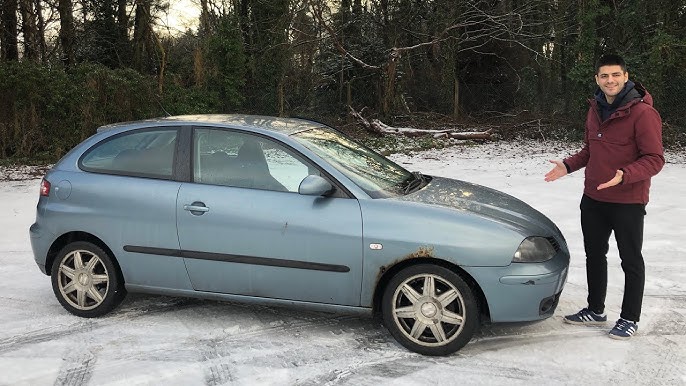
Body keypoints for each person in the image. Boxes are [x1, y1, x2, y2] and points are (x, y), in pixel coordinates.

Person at [544, 54, 664, 340]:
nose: (610, 80)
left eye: (615, 75)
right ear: (597, 79)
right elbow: (590, 150)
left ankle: (629, 317)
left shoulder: (643, 113)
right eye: (604, 76)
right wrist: (568, 165)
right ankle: (595, 309)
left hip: (628, 200)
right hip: (594, 198)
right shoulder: (595, 108)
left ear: (625, 76)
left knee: (630, 260)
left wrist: (625, 174)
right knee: (594, 255)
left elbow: (655, 158)